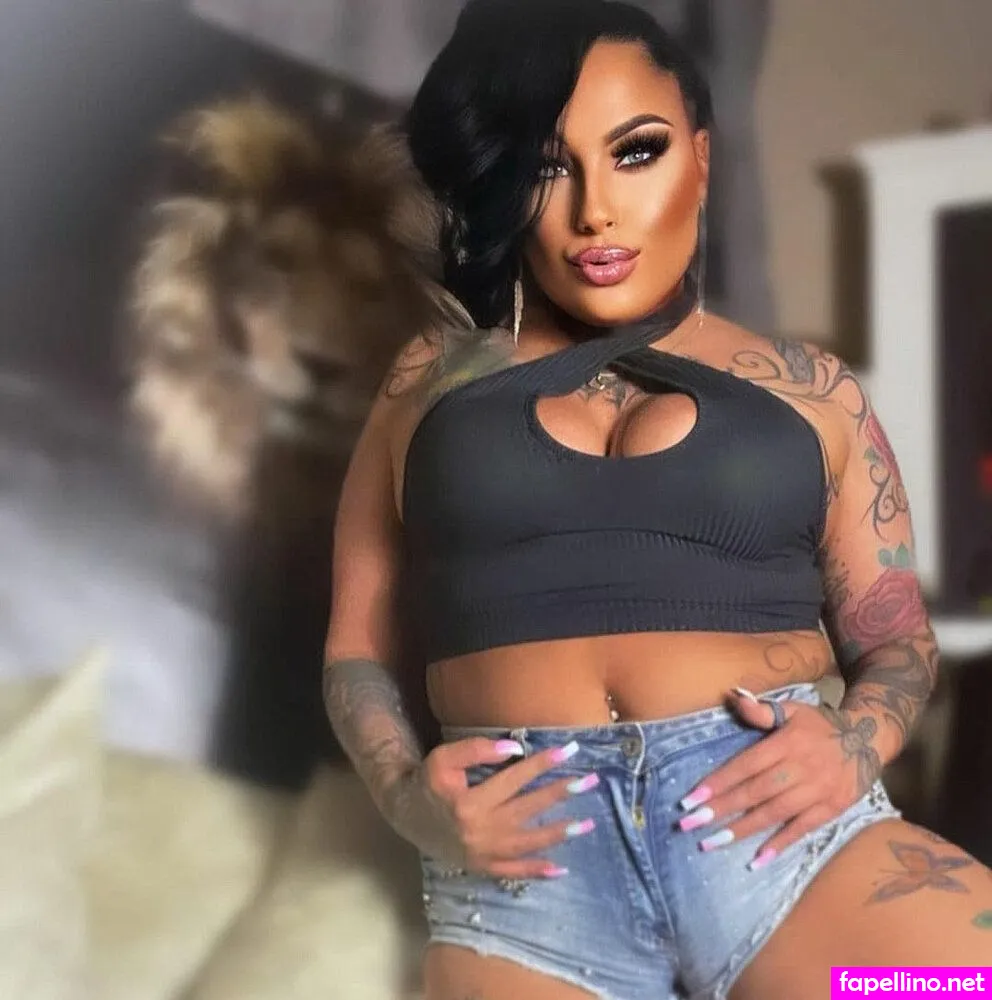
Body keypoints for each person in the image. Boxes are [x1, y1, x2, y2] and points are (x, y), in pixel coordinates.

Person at [323, 2, 992, 997]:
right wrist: (405, 799)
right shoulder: (429, 379)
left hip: (789, 853)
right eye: (548, 167)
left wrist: (853, 747)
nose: (595, 210)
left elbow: (895, 640)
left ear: (701, 159)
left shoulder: (811, 388)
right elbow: (359, 649)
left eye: (635, 151)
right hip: (529, 892)